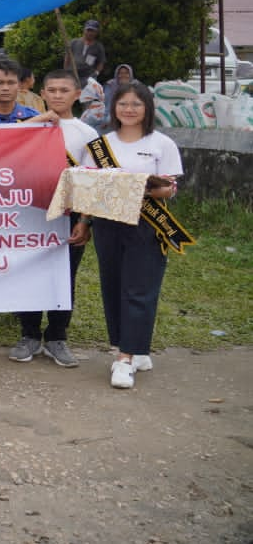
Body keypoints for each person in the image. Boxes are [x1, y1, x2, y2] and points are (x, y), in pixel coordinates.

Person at [75, 80, 186, 390]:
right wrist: (84, 222)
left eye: (136, 104)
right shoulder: (100, 145)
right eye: (123, 103)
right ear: (114, 108)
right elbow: (90, 187)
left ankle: (125, 359)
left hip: (146, 224)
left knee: (140, 288)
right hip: (107, 222)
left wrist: (134, 187)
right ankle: (128, 346)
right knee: (113, 285)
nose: (129, 109)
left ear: (147, 108)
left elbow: (169, 188)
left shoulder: (161, 143)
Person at [10, 68, 100, 367]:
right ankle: (29, 334)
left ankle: (57, 336)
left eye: (64, 90)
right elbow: (7, 144)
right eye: (52, 90)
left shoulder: (88, 133)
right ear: (43, 94)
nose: (58, 95)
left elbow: (93, 180)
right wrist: (38, 121)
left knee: (65, 274)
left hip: (71, 211)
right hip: (31, 208)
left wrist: (85, 220)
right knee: (29, 272)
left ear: (77, 94)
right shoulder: (29, 125)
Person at [68, 19, 107, 86]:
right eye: (88, 30)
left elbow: (101, 62)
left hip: (88, 78)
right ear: (84, 30)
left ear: (97, 32)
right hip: (72, 76)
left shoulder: (99, 47)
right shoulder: (74, 42)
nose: (90, 33)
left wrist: (96, 73)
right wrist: (66, 72)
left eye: (92, 31)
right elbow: (67, 58)